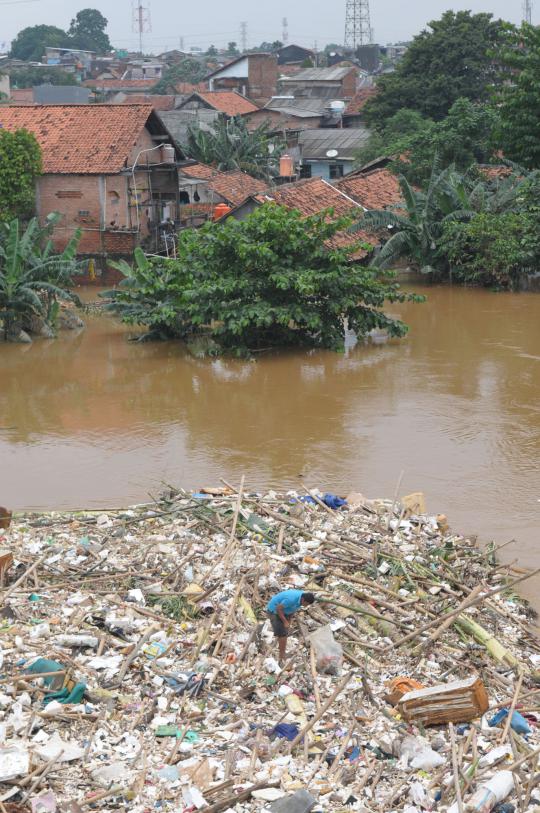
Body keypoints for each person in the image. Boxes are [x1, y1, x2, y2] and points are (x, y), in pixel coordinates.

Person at [266, 589, 315, 663]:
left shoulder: (301, 598)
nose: (306, 606)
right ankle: (282, 656)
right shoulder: (291, 599)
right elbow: (278, 608)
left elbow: (294, 608)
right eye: (306, 604)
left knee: (285, 631)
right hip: (274, 611)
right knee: (282, 634)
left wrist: (289, 619)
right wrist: (285, 621)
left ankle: (281, 647)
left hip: (285, 611)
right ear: (303, 600)